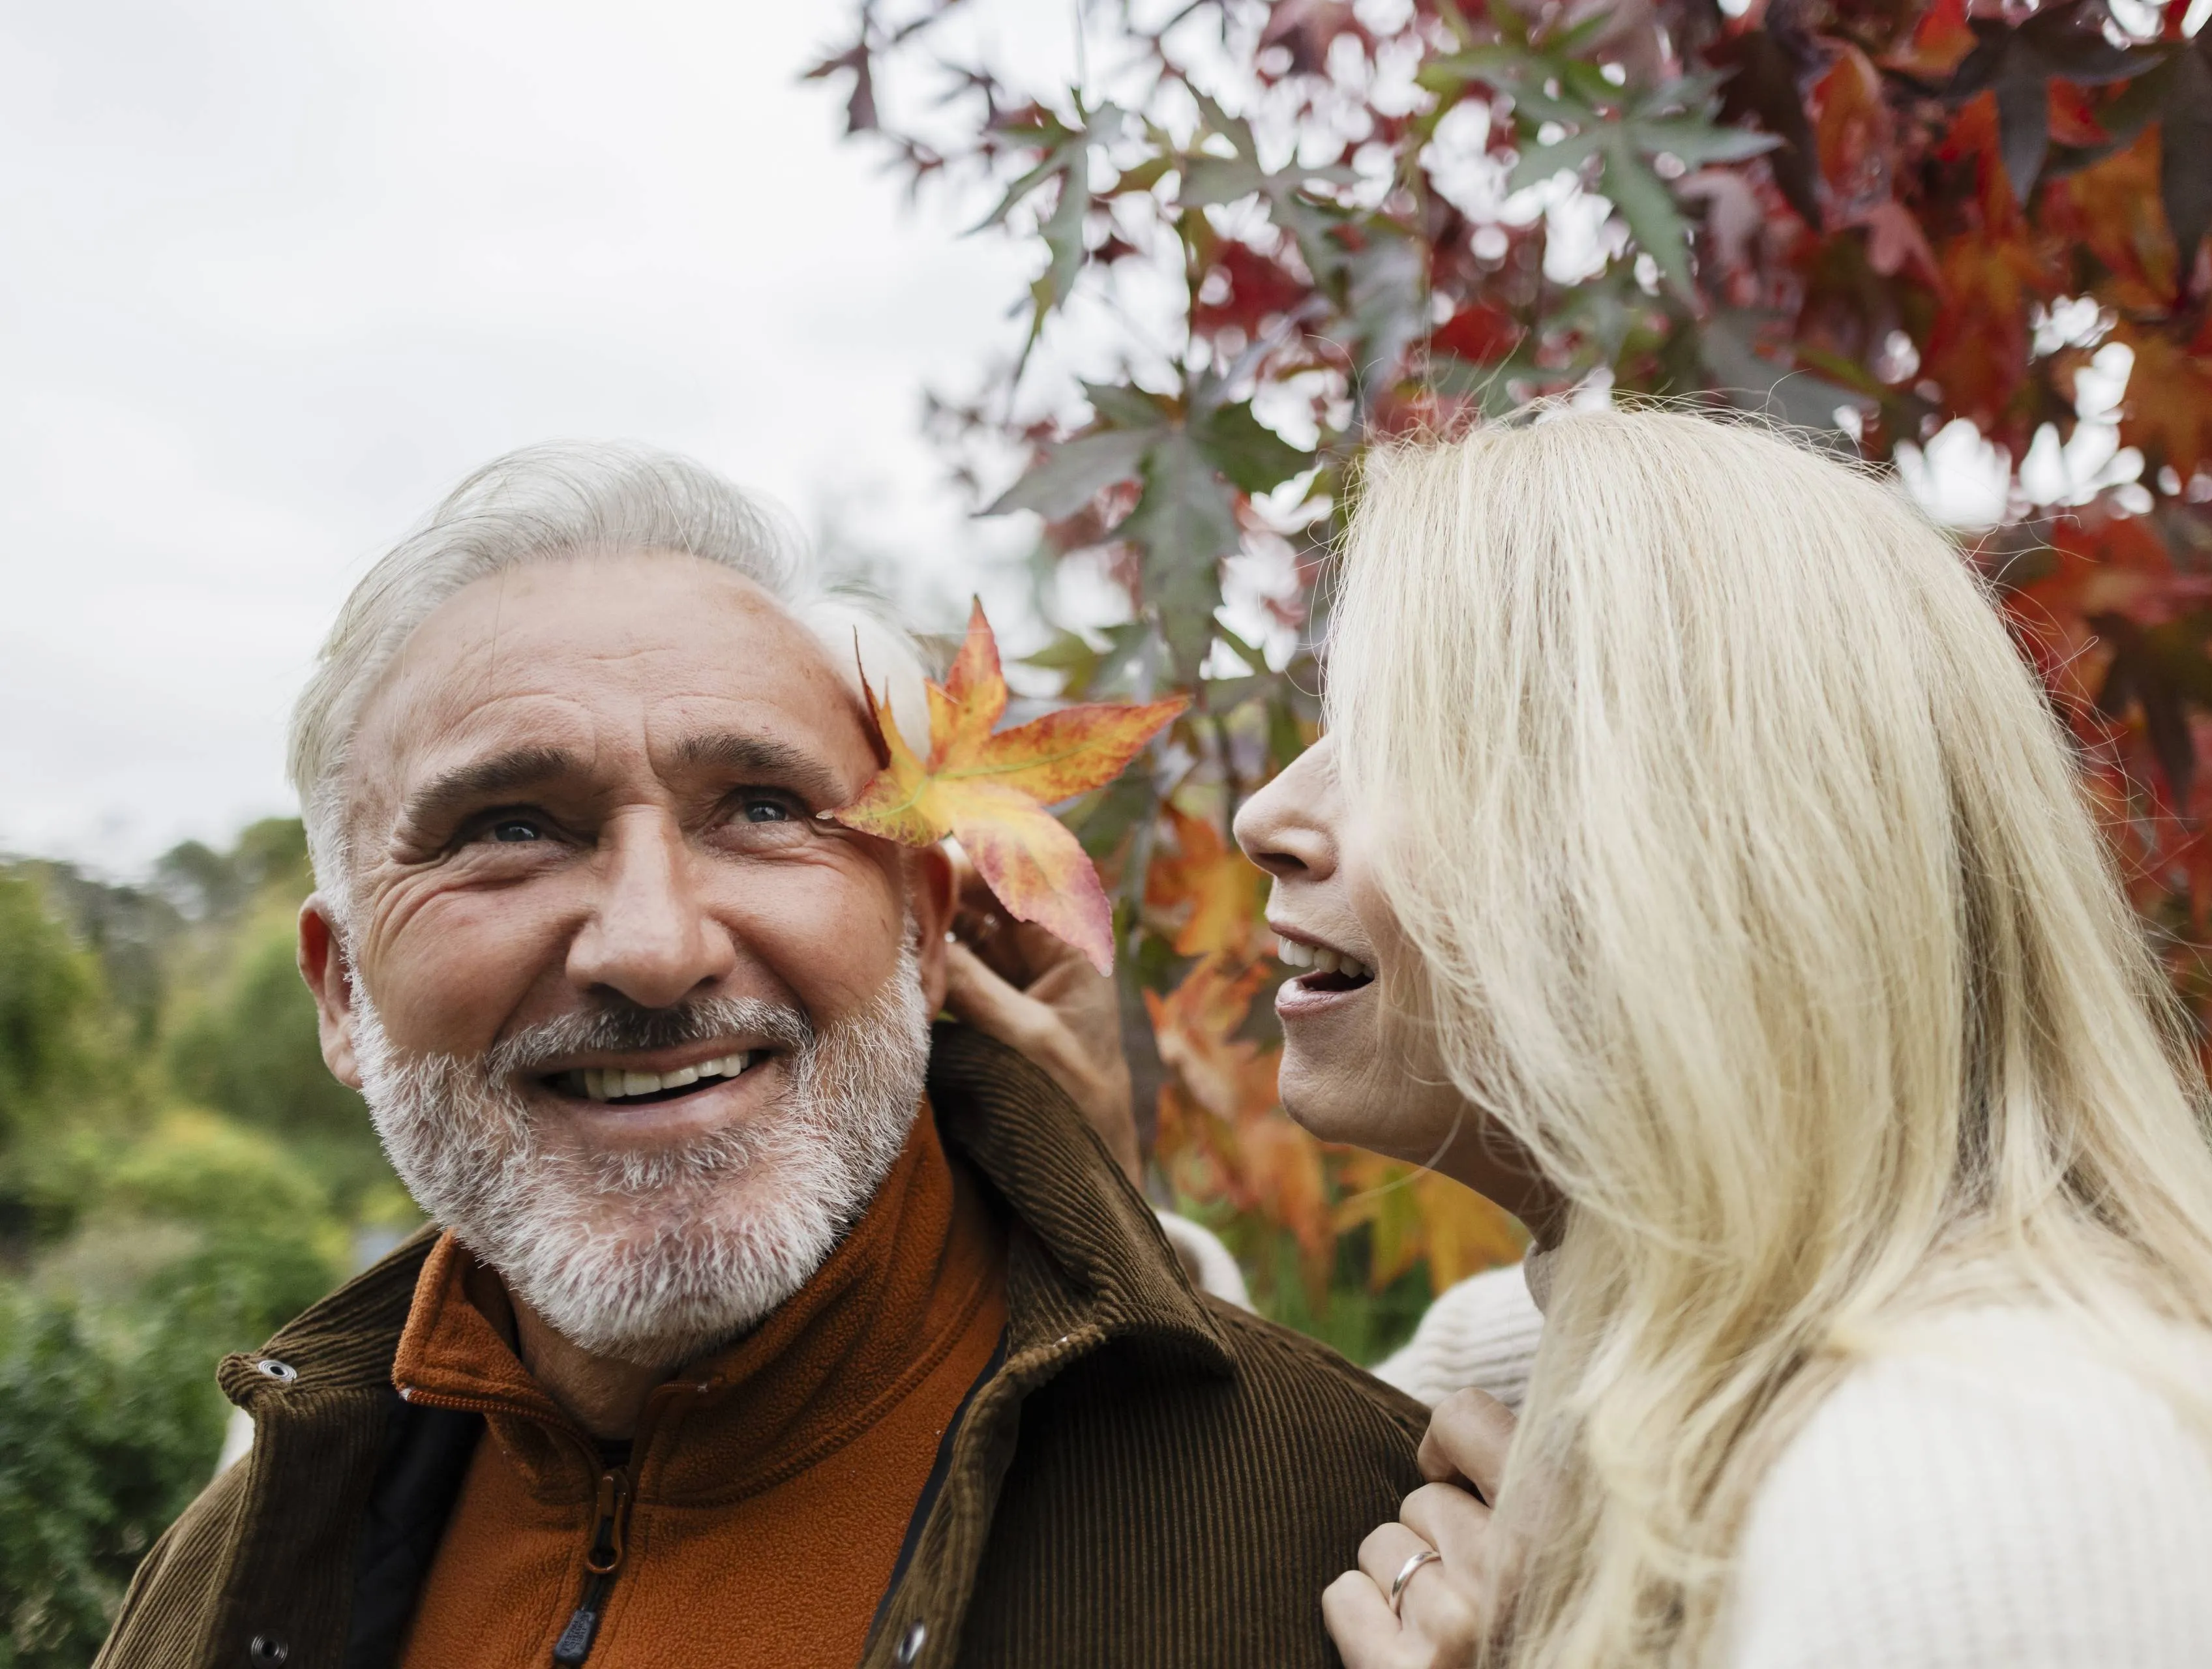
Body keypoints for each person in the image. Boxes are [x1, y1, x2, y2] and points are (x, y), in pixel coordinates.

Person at [98, 443, 1423, 1669]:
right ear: (342, 992)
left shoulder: (1353, 1547)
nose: (654, 945)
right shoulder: (216, 1591)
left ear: (923, 926)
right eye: (508, 827)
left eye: (763, 807)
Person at [1233, 407, 2212, 1668]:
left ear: (1695, 839)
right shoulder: (1562, 1351)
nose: (1265, 813)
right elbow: (1192, 1432)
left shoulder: (1989, 1492)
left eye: (1401, 739)